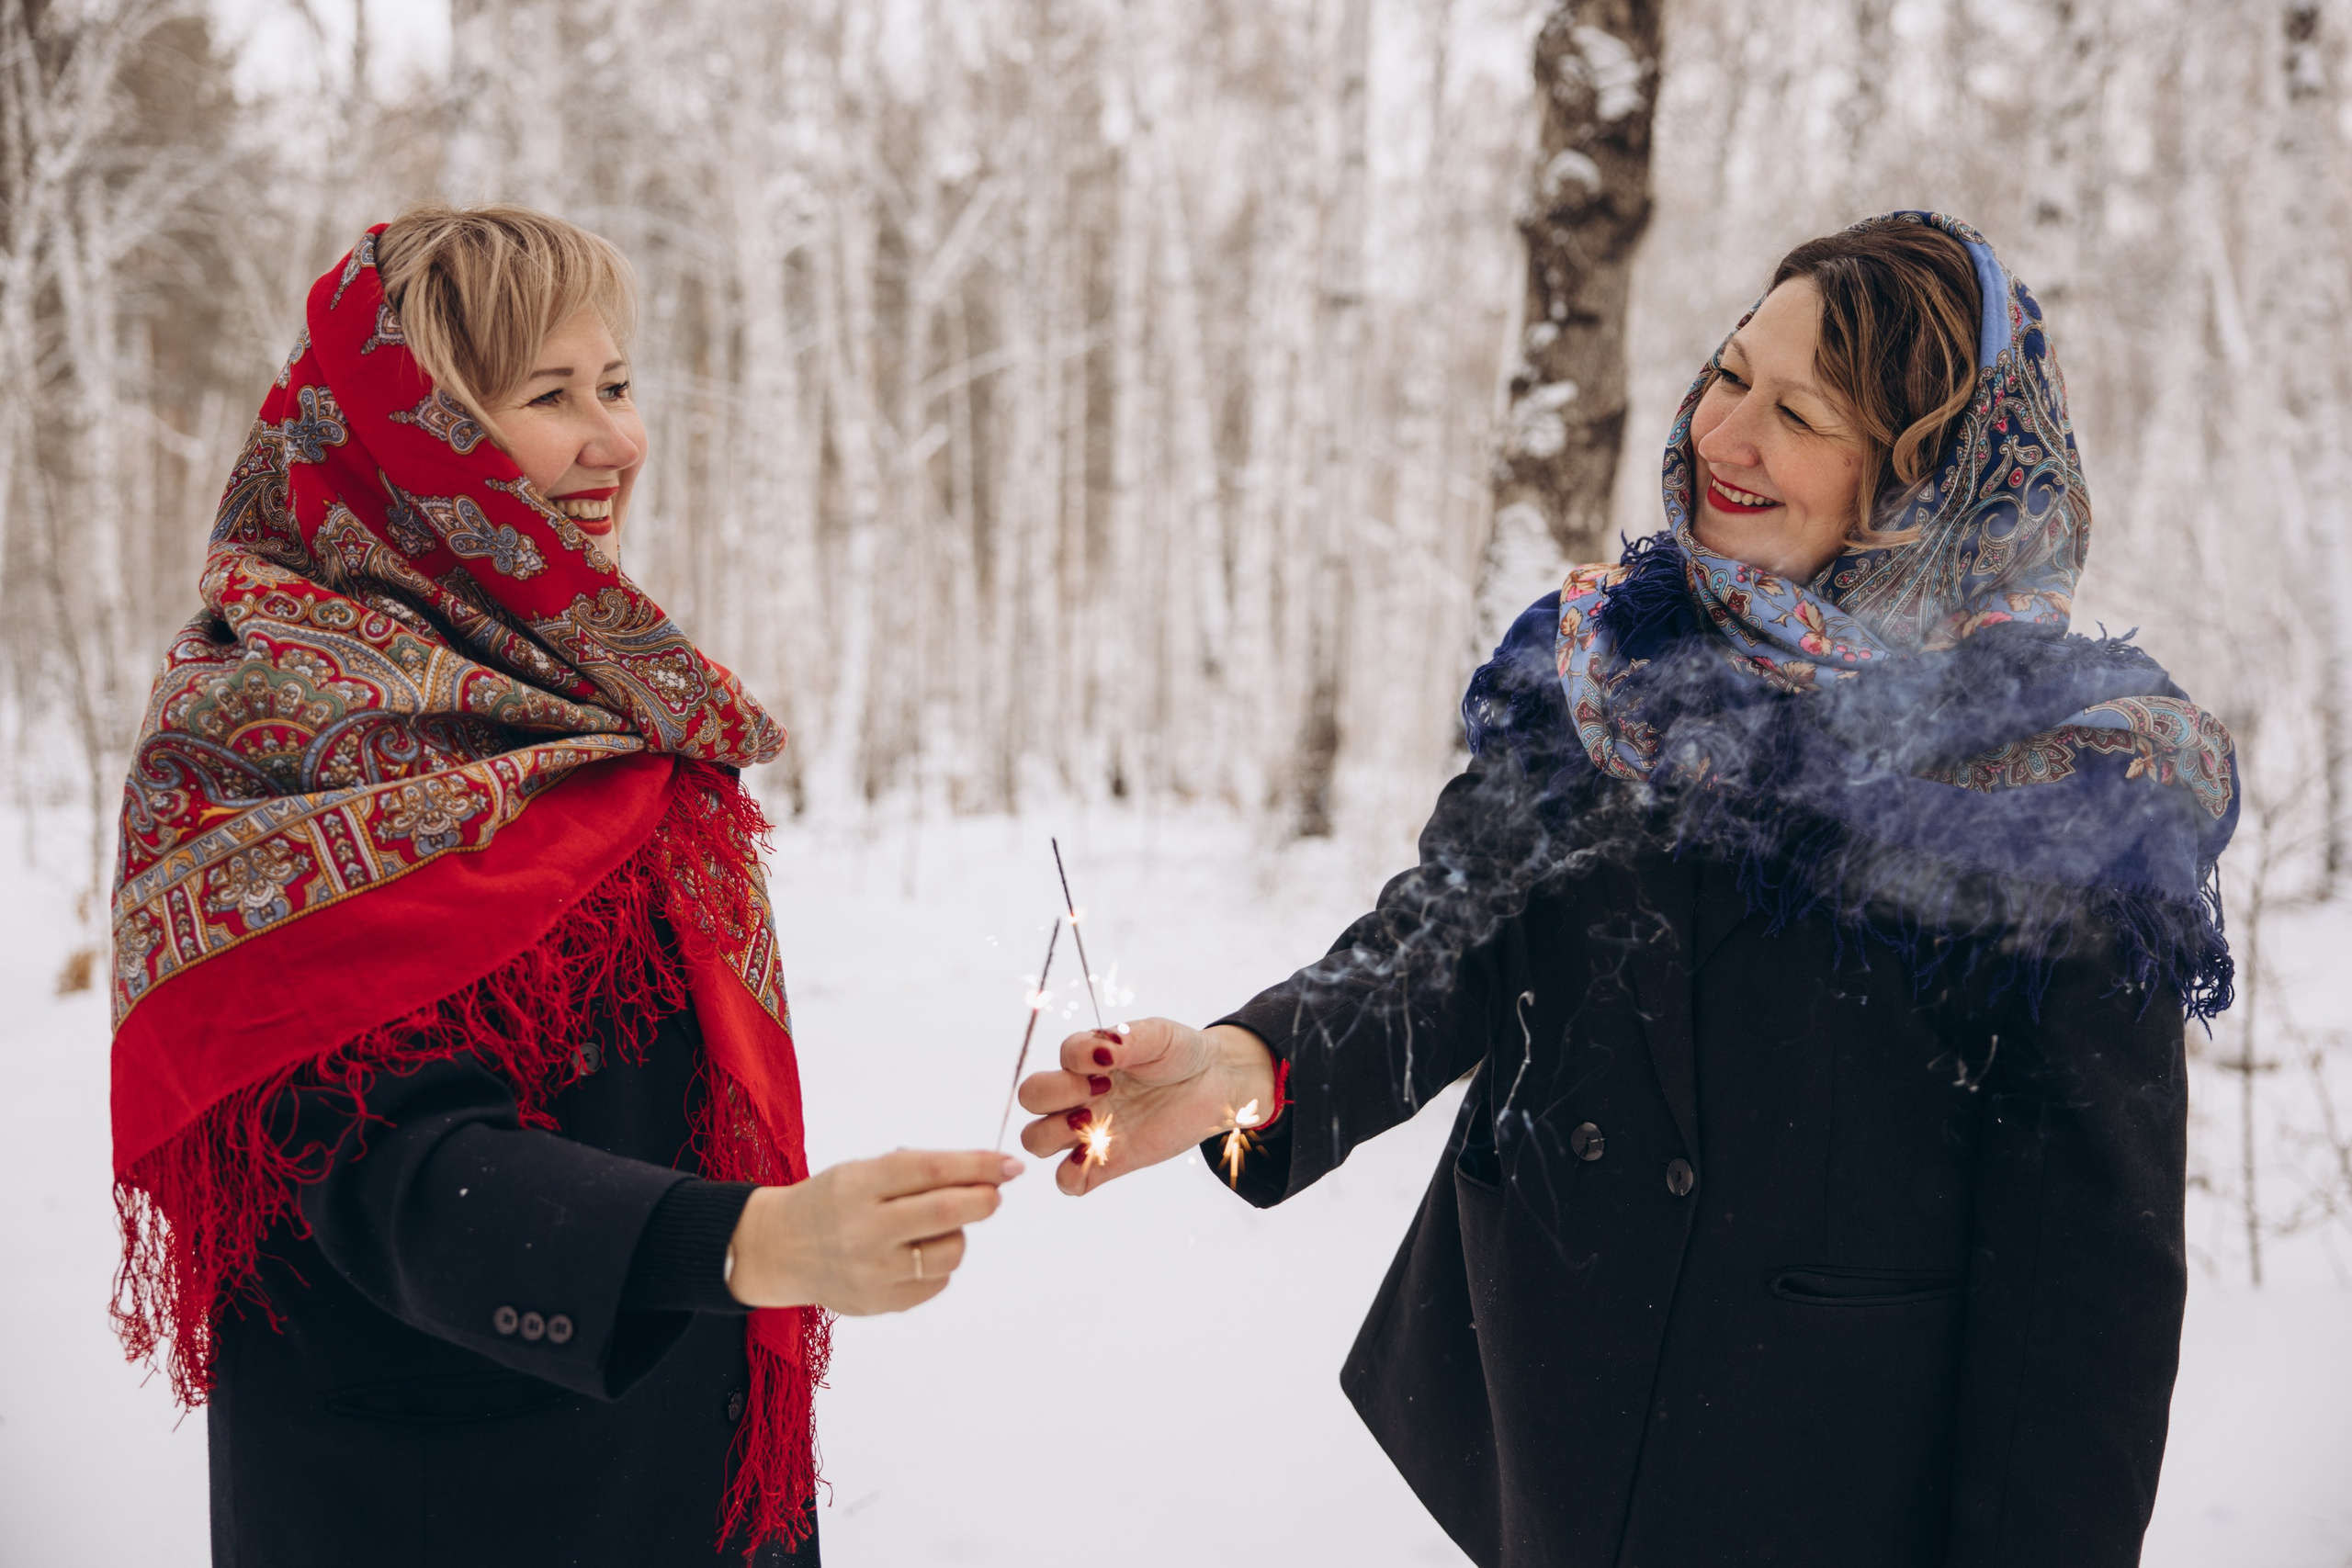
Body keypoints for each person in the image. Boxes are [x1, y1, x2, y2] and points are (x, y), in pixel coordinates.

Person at [1017, 212, 2237, 1567]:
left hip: (1828, 1482)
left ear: (1918, 481)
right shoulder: (1610, 663)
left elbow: (2083, 1302)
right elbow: (1452, 931)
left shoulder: (2073, 789)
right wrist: (1253, 1061)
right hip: (1558, 1436)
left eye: (1798, 413)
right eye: (1729, 375)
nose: (1724, 436)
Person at [108, 204, 1020, 1567]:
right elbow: (378, 1165)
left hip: (670, 1463)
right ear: (415, 446)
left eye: (616, 383)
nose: (616, 440)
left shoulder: (581, 697)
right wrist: (743, 1247)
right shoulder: (270, 732)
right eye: (548, 397)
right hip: (433, 1497)